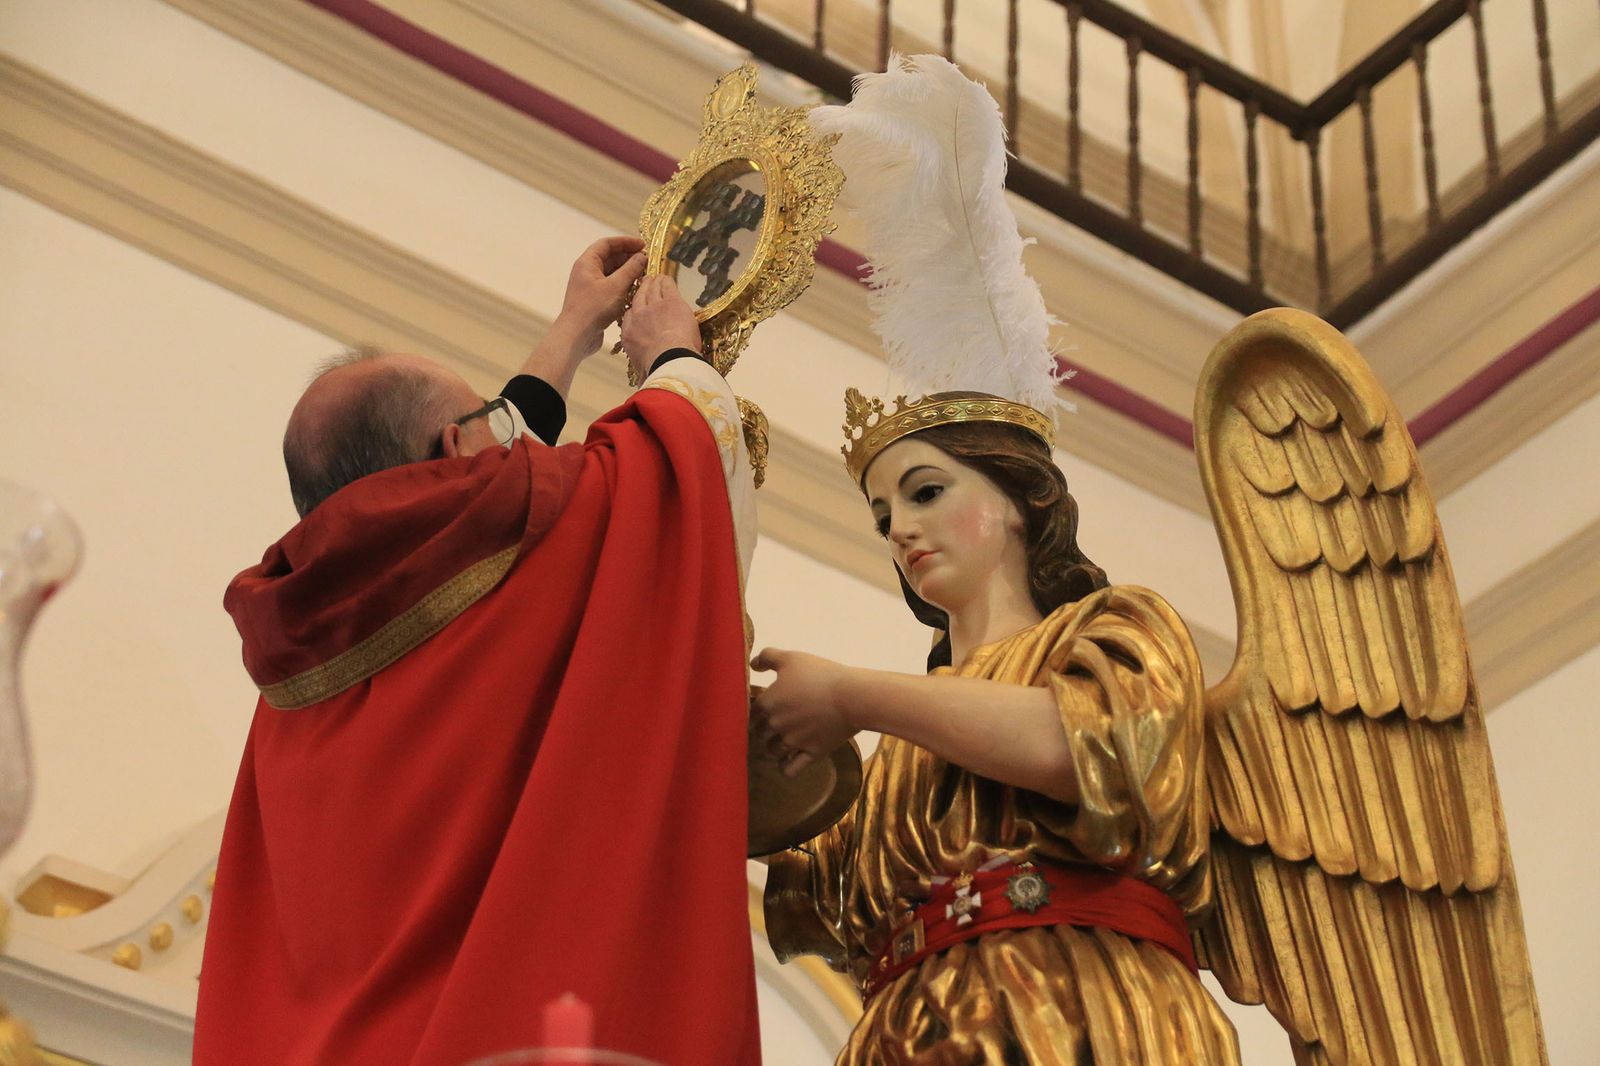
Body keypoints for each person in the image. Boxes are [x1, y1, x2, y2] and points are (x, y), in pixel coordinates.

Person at [195, 237, 762, 1066]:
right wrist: (674, 357)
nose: (511, 443)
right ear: (454, 455)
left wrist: (573, 329)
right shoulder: (513, 526)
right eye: (484, 423)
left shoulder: (299, 635)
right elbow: (682, 457)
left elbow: (481, 470)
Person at [752, 397, 1240, 1064]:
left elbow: (1080, 749)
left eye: (926, 492)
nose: (900, 529)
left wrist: (847, 694)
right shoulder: (904, 745)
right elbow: (807, 889)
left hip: (1072, 1006)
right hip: (907, 1030)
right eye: (884, 518)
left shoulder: (1112, 629)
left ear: (1018, 499)